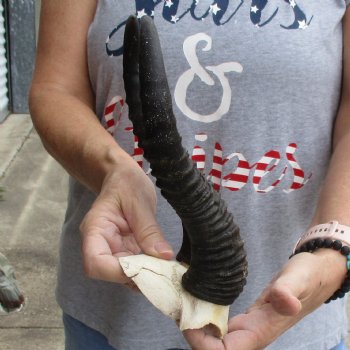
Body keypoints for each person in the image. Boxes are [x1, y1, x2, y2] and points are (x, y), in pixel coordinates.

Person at [29, 1, 350, 349]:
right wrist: (112, 170)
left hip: (294, 318)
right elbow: (56, 89)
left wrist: (331, 245)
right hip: (114, 309)